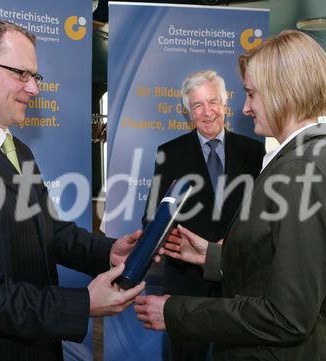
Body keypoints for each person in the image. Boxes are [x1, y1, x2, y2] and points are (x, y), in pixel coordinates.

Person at [0, 18, 145, 361]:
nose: (34, 89)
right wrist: (81, 305)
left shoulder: (18, 150)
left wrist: (107, 251)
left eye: (35, 77)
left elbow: (48, 229)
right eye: (21, 74)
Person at [135, 30, 326, 361]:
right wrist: (211, 256)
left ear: (282, 93)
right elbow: (280, 262)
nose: (245, 108)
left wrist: (175, 312)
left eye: (251, 94)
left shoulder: (303, 171)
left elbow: (286, 317)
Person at [142, 70, 264, 360]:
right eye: (197, 106)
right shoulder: (169, 153)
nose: (207, 112)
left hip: (237, 279)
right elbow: (152, 217)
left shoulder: (255, 153)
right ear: (188, 112)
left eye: (212, 102)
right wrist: (169, 239)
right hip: (186, 282)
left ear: (225, 103)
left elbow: (264, 217)